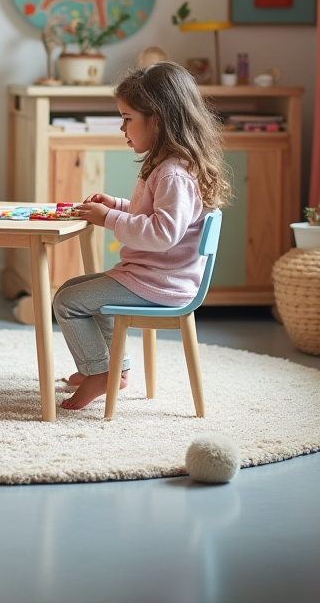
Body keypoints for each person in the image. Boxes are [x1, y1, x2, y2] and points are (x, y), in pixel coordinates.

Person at [53, 61, 231, 410]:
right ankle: (109, 369)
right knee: (72, 291)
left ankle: (100, 374)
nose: (122, 127)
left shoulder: (173, 174)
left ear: (158, 119)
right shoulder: (165, 165)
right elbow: (155, 215)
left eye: (127, 118)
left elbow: (163, 233)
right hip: (151, 276)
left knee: (67, 303)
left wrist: (110, 218)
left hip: (160, 283)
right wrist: (116, 204)